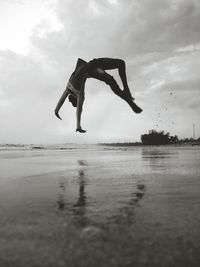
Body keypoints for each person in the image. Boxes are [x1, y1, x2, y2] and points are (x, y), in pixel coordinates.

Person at [55, 57, 142, 133]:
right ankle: (127, 90)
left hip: (94, 70)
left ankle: (129, 100)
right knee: (121, 63)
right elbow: (62, 99)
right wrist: (56, 110)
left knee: (111, 81)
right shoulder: (68, 88)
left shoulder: (79, 94)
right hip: (95, 62)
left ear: (76, 98)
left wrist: (78, 125)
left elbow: (79, 109)